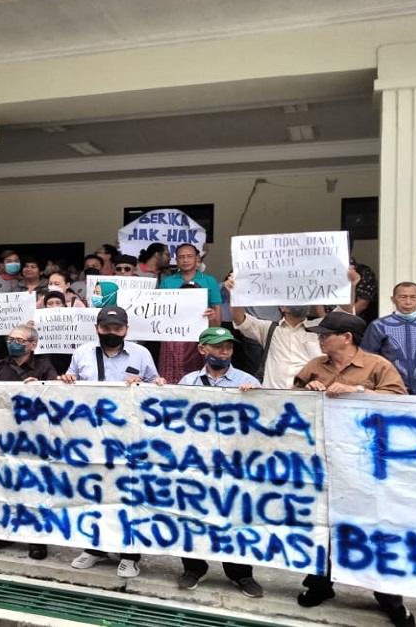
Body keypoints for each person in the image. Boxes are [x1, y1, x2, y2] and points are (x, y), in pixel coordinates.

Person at [292, 310, 414, 627]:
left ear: (346, 338)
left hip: (366, 463)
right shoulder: (314, 366)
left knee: (372, 527)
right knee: (325, 525)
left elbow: (400, 401)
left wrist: (357, 391)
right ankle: (320, 584)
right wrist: (307, 391)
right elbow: (291, 399)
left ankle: (388, 596)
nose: (319, 338)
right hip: (324, 458)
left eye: (326, 334)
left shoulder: (377, 366)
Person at [60, 305, 167, 578]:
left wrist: (148, 383)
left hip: (130, 437)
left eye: (117, 329)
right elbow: (68, 382)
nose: (111, 333)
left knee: (128, 493)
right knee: (94, 493)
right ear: (97, 328)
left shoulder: (141, 353)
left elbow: (157, 385)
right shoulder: (82, 352)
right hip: (92, 437)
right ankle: (94, 548)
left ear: (126, 330)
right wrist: (68, 379)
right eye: (106, 328)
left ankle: (130, 554)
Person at [175, 326, 264, 597]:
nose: (225, 351)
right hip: (198, 462)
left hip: (233, 464)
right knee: (193, 516)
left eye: (229, 347)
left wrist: (254, 399)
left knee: (234, 517)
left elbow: (262, 423)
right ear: (203, 349)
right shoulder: (188, 382)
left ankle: (240, 574)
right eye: (218, 346)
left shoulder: (248, 381)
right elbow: (177, 420)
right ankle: (193, 568)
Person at [0, 325, 57, 559]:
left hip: (33, 438)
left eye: (19, 340)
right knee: (2, 485)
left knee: (33, 488)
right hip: (2, 436)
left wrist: (40, 389)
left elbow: (56, 400)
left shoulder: (44, 367)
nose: (13, 343)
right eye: (10, 339)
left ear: (33, 345)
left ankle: (35, 538)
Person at [225, 268, 359, 389]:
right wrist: (236, 293)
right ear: (282, 307)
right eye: (294, 296)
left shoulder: (321, 328)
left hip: (311, 396)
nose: (300, 300)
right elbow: (240, 319)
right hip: (275, 398)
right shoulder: (269, 329)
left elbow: (345, 314)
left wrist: (350, 285)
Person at [361, 282, 416, 395]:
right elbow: (368, 357)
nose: (408, 302)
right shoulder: (379, 326)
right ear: (393, 299)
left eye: (413, 297)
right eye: (402, 297)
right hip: (390, 389)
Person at [158, 244, 223, 383]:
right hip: (173, 338)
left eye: (189, 256)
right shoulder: (167, 282)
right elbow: (159, 313)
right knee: (170, 380)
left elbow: (217, 316)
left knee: (200, 379)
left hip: (201, 337)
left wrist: (213, 320)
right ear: (176, 260)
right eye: (181, 257)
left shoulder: (209, 281)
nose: (185, 260)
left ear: (197, 258)